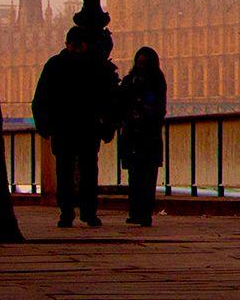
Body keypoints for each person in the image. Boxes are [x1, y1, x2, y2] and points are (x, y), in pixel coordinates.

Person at [32, 26, 119, 228]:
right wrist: (107, 126)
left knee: (69, 171)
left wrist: (45, 127)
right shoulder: (94, 66)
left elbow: (40, 99)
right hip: (82, 128)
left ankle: (69, 212)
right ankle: (84, 212)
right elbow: (109, 100)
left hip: (68, 128)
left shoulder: (55, 65)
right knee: (82, 171)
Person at [118, 46, 167, 226]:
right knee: (135, 176)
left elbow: (159, 107)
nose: (141, 65)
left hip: (148, 135)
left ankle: (145, 213)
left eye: (144, 63)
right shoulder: (130, 80)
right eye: (139, 62)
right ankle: (135, 211)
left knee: (147, 176)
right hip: (133, 134)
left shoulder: (156, 80)